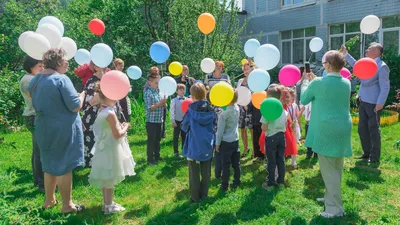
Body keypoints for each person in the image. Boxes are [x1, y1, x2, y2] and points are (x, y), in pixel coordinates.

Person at [28, 48, 86, 213]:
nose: (68, 63)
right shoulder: (61, 79)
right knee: (64, 165)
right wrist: (81, 96)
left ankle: (49, 200)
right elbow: (75, 106)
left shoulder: (35, 80)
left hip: (43, 127)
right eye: (66, 60)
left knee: (48, 164)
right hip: (62, 128)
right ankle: (67, 205)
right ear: (59, 62)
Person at [301, 50, 352, 218]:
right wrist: (314, 80)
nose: (323, 66)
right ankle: (331, 198)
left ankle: (334, 208)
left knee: (329, 170)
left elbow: (304, 99)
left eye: (324, 64)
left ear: (328, 65)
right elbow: (327, 87)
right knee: (336, 166)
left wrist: (305, 83)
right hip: (343, 127)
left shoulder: (317, 83)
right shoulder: (346, 82)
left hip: (326, 128)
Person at [88, 83, 135, 215]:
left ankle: (107, 203)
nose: (116, 99)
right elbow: (117, 134)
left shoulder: (102, 110)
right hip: (110, 148)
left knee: (106, 177)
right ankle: (109, 206)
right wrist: (126, 127)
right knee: (110, 176)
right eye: (114, 97)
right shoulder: (110, 113)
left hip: (103, 146)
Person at [341, 43, 390, 163]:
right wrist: (345, 55)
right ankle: (366, 153)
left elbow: (385, 87)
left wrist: (380, 103)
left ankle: (374, 157)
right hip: (363, 100)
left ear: (377, 51)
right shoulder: (366, 62)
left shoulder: (382, 66)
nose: (367, 49)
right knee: (362, 128)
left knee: (373, 129)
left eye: (370, 48)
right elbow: (356, 65)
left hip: (374, 103)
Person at [181, 82, 216, 203]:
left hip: (193, 146)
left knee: (193, 172)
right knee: (206, 171)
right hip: (207, 144)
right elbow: (214, 124)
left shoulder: (190, 111)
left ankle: (195, 197)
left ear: (193, 97)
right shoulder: (211, 110)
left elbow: (184, 126)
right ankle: (204, 194)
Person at [20, 56, 45, 192]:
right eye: (39, 66)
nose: (42, 69)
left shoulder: (34, 78)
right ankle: (41, 182)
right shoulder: (28, 80)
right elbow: (37, 96)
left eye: (42, 66)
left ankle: (38, 180)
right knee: (39, 151)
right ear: (31, 66)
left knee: (37, 150)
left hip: (35, 115)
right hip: (33, 116)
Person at [260, 86, 288, 191]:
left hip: (271, 137)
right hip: (282, 136)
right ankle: (281, 183)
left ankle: (270, 184)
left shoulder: (268, 110)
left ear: (269, 97)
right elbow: (285, 121)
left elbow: (264, 127)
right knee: (281, 159)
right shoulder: (281, 108)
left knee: (271, 161)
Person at [81, 66, 107, 168]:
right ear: (95, 67)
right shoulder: (92, 82)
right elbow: (90, 102)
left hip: (102, 114)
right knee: (91, 138)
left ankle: (99, 161)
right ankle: (90, 162)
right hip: (92, 115)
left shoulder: (106, 79)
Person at [215, 91, 240, 192]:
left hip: (225, 141)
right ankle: (237, 181)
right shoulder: (237, 108)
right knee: (236, 163)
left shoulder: (223, 114)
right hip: (235, 138)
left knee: (225, 164)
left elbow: (220, 131)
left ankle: (224, 186)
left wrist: (217, 143)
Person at [144, 72, 167, 165]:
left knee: (158, 139)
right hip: (151, 121)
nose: (158, 85)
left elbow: (162, 105)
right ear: (149, 82)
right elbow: (150, 108)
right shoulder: (148, 92)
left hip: (159, 120)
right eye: (156, 83)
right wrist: (160, 104)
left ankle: (157, 156)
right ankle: (150, 158)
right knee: (151, 140)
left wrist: (164, 104)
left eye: (159, 83)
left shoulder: (158, 92)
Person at [237, 61, 254, 158]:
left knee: (251, 129)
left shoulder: (254, 81)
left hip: (251, 107)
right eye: (245, 69)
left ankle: (254, 151)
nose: (246, 71)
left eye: (248, 69)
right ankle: (245, 148)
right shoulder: (240, 81)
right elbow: (238, 93)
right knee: (242, 128)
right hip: (241, 107)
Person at [280, 86, 298, 167]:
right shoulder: (280, 106)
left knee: (291, 142)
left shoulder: (291, 105)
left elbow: (290, 118)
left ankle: (293, 161)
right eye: (285, 97)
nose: (286, 99)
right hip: (280, 126)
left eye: (288, 97)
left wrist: (292, 125)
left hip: (288, 126)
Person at [112, 58, 131, 123]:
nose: (122, 67)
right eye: (120, 66)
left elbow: (129, 87)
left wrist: (127, 89)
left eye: (122, 66)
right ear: (115, 66)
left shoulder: (124, 75)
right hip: (115, 99)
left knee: (126, 117)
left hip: (124, 99)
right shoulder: (111, 75)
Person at [170, 84, 187, 158]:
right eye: (180, 89)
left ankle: (184, 151)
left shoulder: (187, 100)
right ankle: (176, 152)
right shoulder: (174, 100)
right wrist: (173, 121)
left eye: (183, 89)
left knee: (184, 136)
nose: (182, 91)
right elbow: (172, 111)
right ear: (176, 91)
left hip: (185, 121)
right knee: (176, 136)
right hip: (177, 120)